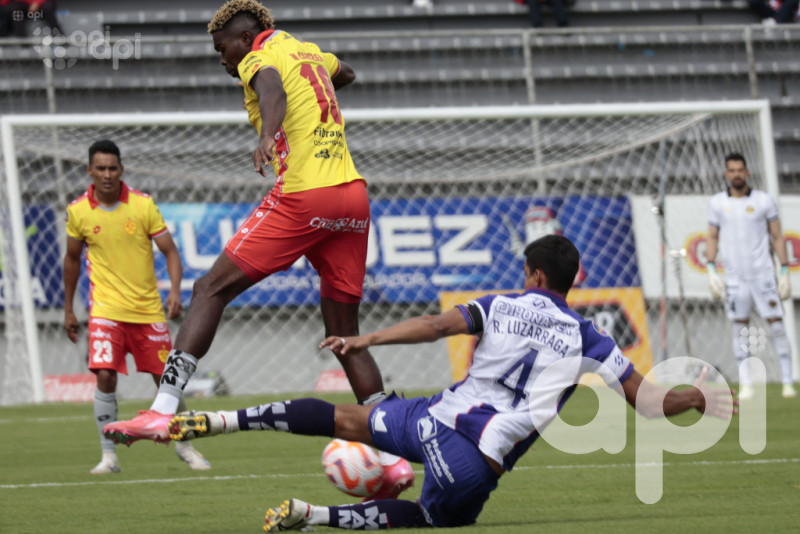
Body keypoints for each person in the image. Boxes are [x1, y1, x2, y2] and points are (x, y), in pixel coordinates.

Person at [168, 235, 734, 530]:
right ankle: (314, 517)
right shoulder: (593, 339)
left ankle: (220, 419)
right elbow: (652, 404)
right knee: (435, 517)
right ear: (568, 281)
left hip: (432, 417)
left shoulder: (501, 304)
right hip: (472, 461)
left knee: (347, 418)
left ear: (534, 276)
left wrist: (366, 340)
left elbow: (438, 326)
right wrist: (703, 395)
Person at [102, 0, 414, 498]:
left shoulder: (258, 57)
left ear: (245, 37)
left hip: (305, 195)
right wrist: (317, 95)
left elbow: (269, 86)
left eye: (221, 47)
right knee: (344, 334)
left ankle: (161, 411)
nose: (221, 58)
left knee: (210, 289)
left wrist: (270, 134)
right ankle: (399, 446)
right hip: (352, 198)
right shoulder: (307, 50)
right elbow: (346, 71)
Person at [63, 140, 211, 474]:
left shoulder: (143, 205)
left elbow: (171, 251)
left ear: (121, 170)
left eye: (112, 168)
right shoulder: (78, 211)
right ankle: (109, 457)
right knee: (104, 376)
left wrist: (174, 291)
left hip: (147, 312)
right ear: (90, 171)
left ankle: (185, 447)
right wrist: (69, 309)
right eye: (100, 168)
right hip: (105, 311)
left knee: (167, 380)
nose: (107, 174)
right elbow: (71, 260)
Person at [706, 153, 796, 399]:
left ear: (747, 172)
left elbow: (777, 237)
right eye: (731, 170)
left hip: (763, 274)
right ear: (726, 174)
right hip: (735, 278)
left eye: (740, 170)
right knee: (739, 330)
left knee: (777, 326)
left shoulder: (763, 201)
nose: (736, 174)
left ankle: (788, 380)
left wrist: (784, 270)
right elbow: (712, 237)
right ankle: (746, 383)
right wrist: (711, 268)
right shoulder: (717, 203)